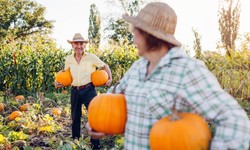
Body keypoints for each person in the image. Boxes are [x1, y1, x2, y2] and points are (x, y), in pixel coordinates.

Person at [86, 2, 250, 150]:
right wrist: (100, 123)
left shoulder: (187, 70)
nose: (132, 36)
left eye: (135, 30)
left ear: (149, 34)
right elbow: (114, 94)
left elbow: (234, 120)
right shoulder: (138, 67)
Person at [55, 33, 112, 149]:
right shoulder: (69, 59)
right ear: (72, 45)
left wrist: (110, 78)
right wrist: (58, 83)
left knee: (94, 116)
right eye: (76, 43)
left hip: (89, 90)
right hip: (75, 90)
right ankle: (76, 142)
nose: (79, 46)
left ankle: (95, 145)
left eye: (81, 44)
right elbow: (64, 74)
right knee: (75, 117)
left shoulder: (91, 57)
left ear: (84, 45)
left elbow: (105, 66)